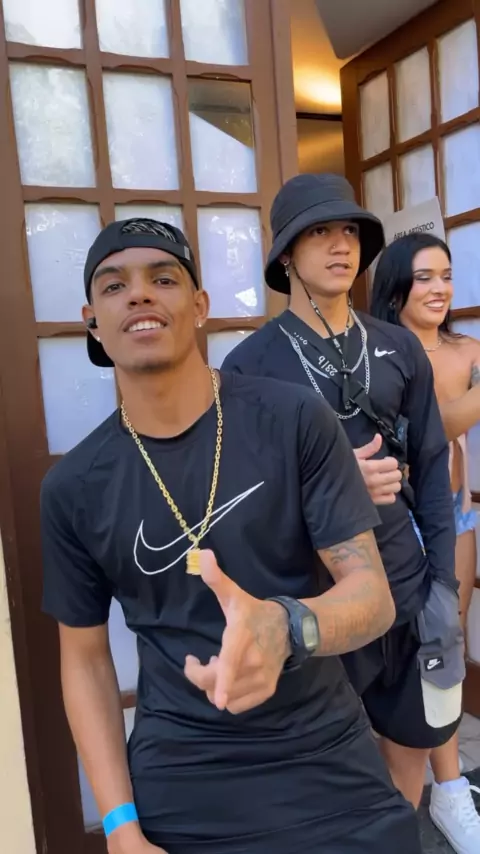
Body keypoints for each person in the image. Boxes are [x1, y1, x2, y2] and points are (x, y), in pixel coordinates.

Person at [40, 217, 421, 854]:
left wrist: (287, 626)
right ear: (92, 322)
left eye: (163, 279)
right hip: (184, 776)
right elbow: (84, 659)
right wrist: (119, 826)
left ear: (199, 306)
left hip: (325, 756)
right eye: (114, 285)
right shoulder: (74, 487)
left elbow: (372, 597)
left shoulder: (295, 420)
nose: (139, 293)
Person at [222, 173, 464, 811]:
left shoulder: (397, 346)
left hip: (407, 584)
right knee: (333, 766)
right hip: (319, 600)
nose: (341, 245)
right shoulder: (250, 365)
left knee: (412, 741)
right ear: (286, 254)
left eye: (350, 231)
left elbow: (431, 469)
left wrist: (443, 585)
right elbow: (240, 503)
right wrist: (333, 479)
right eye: (320, 232)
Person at [370, 231, 480, 854]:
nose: (439, 289)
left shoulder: (466, 350)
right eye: (424, 277)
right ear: (395, 287)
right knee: (402, 659)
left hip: (453, 517)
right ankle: (404, 797)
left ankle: (449, 789)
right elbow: (431, 433)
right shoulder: (379, 355)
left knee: (445, 643)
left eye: (446, 275)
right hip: (394, 523)